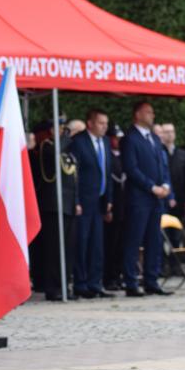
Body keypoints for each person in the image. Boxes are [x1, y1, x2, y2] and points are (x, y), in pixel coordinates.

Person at [120, 102, 174, 297]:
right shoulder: (130, 139)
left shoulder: (154, 138)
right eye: (148, 112)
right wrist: (152, 187)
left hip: (156, 199)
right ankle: (131, 281)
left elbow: (162, 165)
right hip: (139, 198)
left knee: (154, 240)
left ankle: (152, 280)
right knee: (134, 240)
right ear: (137, 114)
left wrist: (166, 185)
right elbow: (131, 169)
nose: (153, 115)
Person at [30, 123, 79, 302]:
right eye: (61, 128)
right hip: (53, 204)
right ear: (52, 130)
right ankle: (52, 287)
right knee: (53, 249)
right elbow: (53, 156)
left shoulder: (66, 150)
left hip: (68, 204)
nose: (64, 131)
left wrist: (76, 202)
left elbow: (73, 178)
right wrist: (67, 136)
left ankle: (65, 285)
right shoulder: (47, 146)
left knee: (67, 249)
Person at [70, 109, 114, 299]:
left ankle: (95, 283)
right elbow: (74, 175)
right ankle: (81, 283)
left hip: (100, 201)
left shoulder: (105, 141)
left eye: (106, 123)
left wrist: (109, 199)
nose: (104, 127)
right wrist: (76, 200)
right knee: (82, 243)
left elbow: (107, 171)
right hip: (84, 201)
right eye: (101, 123)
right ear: (90, 123)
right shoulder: (78, 142)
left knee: (97, 245)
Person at [103, 126, 127, 291]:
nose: (118, 141)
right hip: (113, 206)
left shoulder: (123, 156)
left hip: (124, 207)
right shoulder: (107, 155)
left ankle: (118, 275)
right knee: (110, 244)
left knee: (121, 244)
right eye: (115, 138)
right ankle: (108, 277)